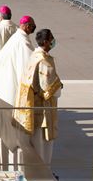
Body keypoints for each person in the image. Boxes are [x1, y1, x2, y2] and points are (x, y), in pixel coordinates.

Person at [14, 29, 62, 165]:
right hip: (43, 109)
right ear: (46, 42)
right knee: (43, 147)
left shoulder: (33, 56)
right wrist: (59, 86)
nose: (53, 41)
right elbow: (49, 88)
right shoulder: (45, 61)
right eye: (52, 39)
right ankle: (43, 172)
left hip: (33, 107)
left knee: (34, 143)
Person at [0, 15, 36, 107]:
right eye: (33, 26)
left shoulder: (18, 36)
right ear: (27, 26)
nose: (33, 29)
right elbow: (29, 62)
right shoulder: (23, 41)